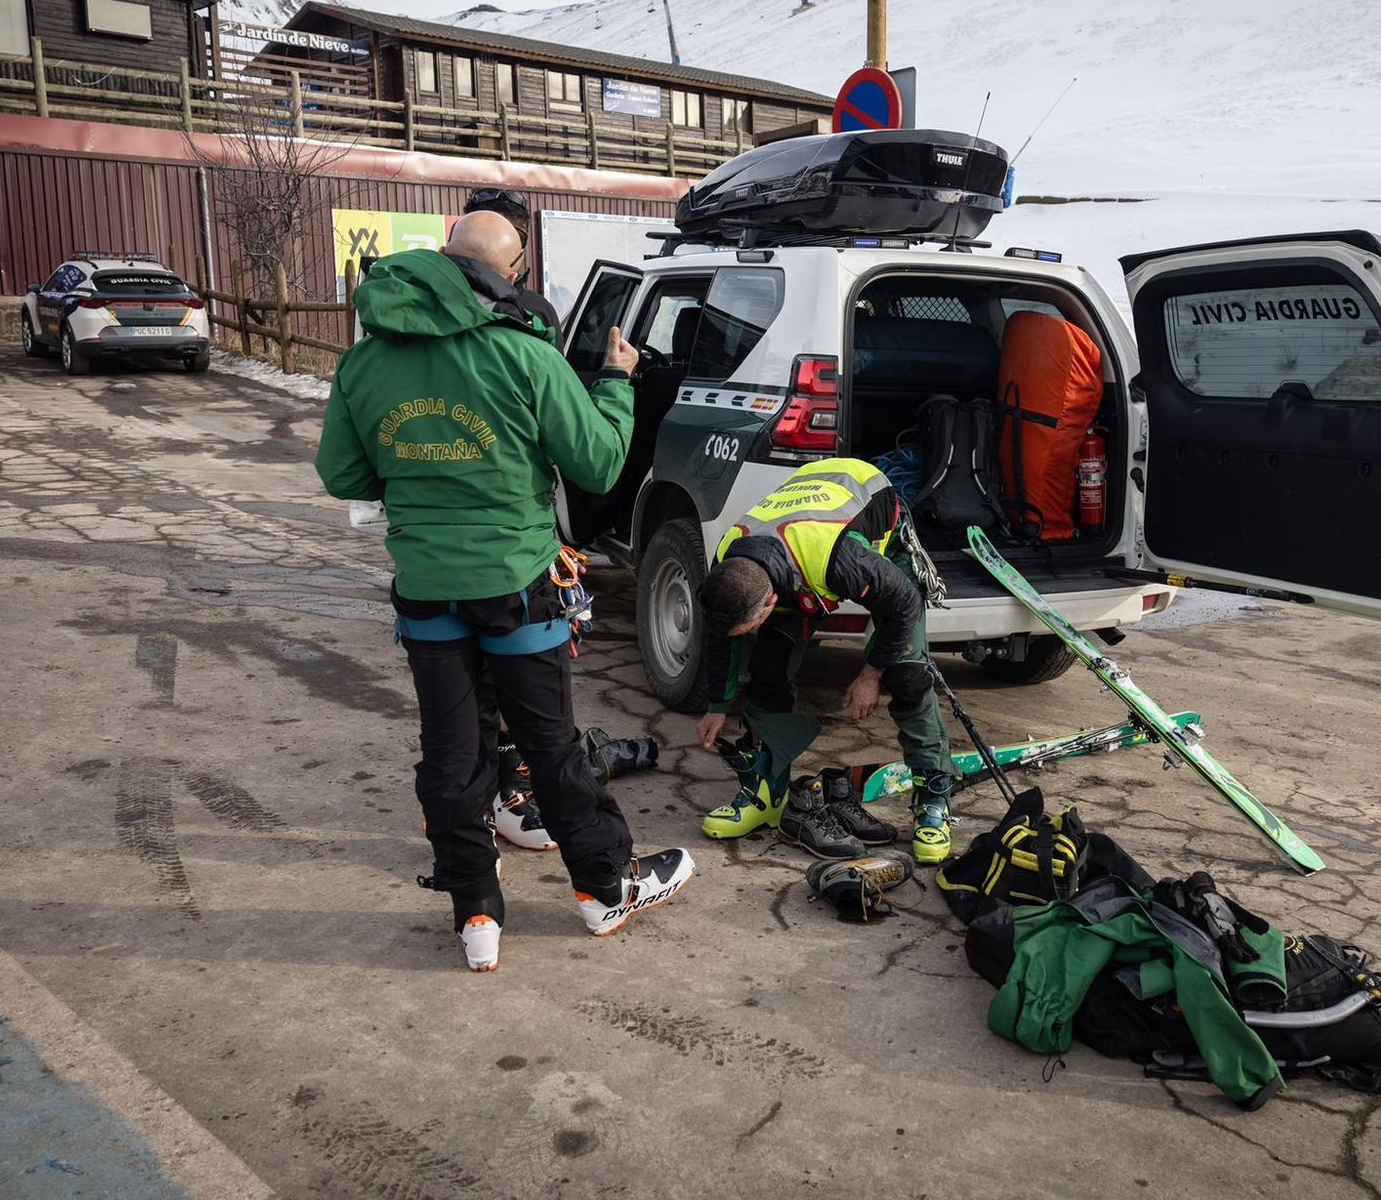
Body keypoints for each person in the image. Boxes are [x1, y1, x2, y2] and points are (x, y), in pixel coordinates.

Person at [316, 210, 693, 972]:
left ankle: (476, 911)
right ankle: (603, 888)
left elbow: (343, 474)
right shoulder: (523, 353)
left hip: (427, 592)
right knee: (552, 747)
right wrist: (617, 382)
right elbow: (597, 463)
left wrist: (420, 476)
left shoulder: (365, 361)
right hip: (516, 585)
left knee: (451, 753)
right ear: (512, 272)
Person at [694, 458, 957, 865]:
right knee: (768, 670)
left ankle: (934, 797)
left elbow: (903, 604)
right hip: (798, 546)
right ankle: (768, 793)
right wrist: (718, 703)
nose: (741, 634)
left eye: (749, 625)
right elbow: (721, 637)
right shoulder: (729, 559)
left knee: (906, 673)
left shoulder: (840, 561)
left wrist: (870, 674)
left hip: (873, 521)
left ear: (769, 602)